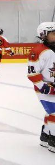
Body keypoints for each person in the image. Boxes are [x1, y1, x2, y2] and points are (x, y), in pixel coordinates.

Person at [27, 22, 55, 152]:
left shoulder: (52, 50)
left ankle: (45, 136)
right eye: (53, 33)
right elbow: (32, 74)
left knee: (51, 112)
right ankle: (53, 140)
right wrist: (45, 88)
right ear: (43, 35)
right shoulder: (38, 51)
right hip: (44, 89)